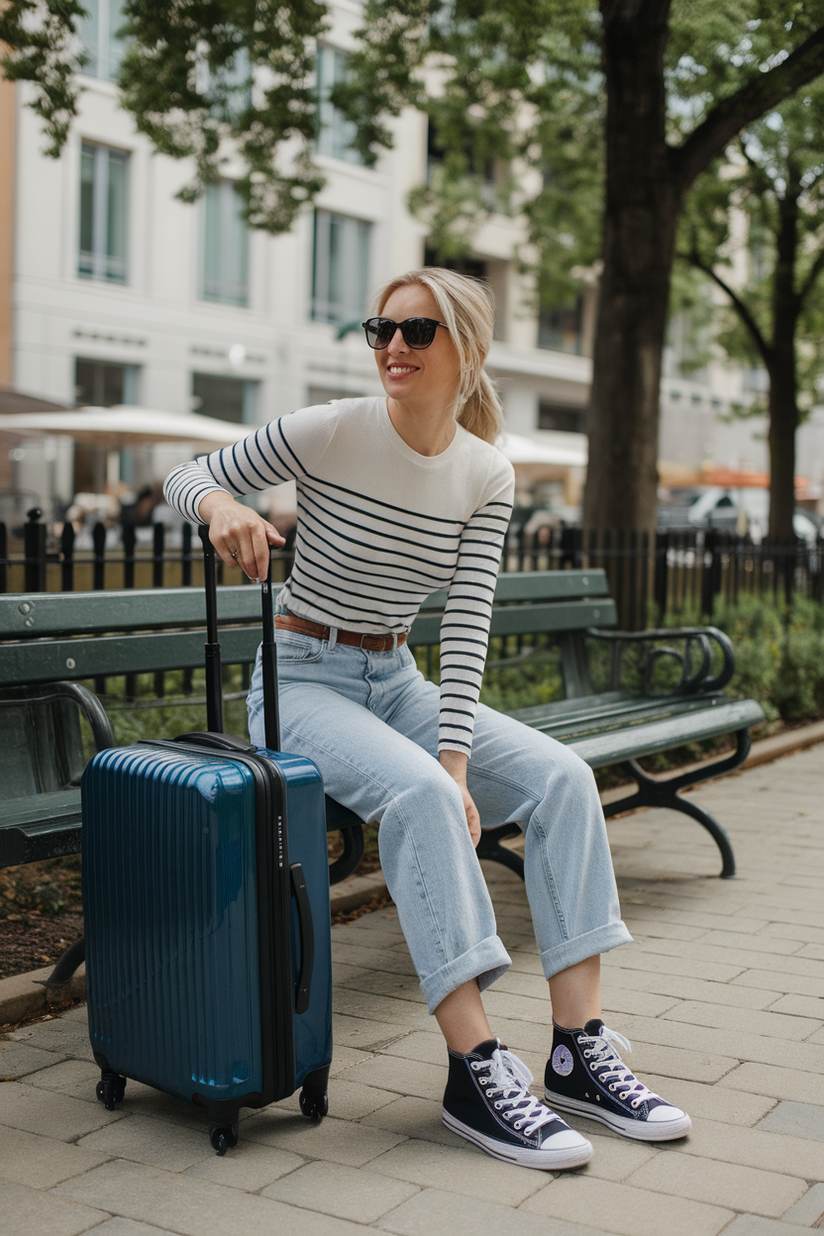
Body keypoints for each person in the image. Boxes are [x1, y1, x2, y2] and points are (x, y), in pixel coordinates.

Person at [163, 267, 691, 1171]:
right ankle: (473, 1068)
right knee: (420, 798)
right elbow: (188, 472)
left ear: (467, 349)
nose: (393, 347)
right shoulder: (332, 427)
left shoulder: (486, 472)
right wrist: (219, 504)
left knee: (561, 779)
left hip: (398, 677)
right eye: (381, 330)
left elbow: (470, 618)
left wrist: (455, 754)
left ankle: (576, 1051)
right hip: (302, 679)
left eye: (417, 332)